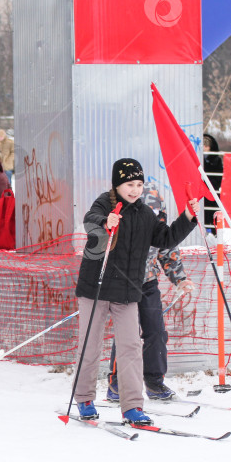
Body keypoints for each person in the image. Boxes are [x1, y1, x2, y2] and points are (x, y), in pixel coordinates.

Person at [74, 159, 198, 426]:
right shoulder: (104, 204)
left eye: (139, 184)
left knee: (131, 348)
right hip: (95, 288)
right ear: (118, 184)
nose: (134, 189)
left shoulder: (145, 214)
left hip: (129, 290)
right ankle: (84, 398)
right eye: (129, 184)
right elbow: (90, 221)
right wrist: (105, 221)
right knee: (91, 345)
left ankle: (132, 407)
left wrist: (188, 217)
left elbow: (165, 239)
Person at [105, 181, 195, 402]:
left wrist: (180, 278)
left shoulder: (157, 224)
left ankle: (154, 382)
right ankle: (117, 383)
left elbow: (167, 249)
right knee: (127, 335)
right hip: (124, 284)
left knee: (156, 331)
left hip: (148, 283)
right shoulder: (121, 222)